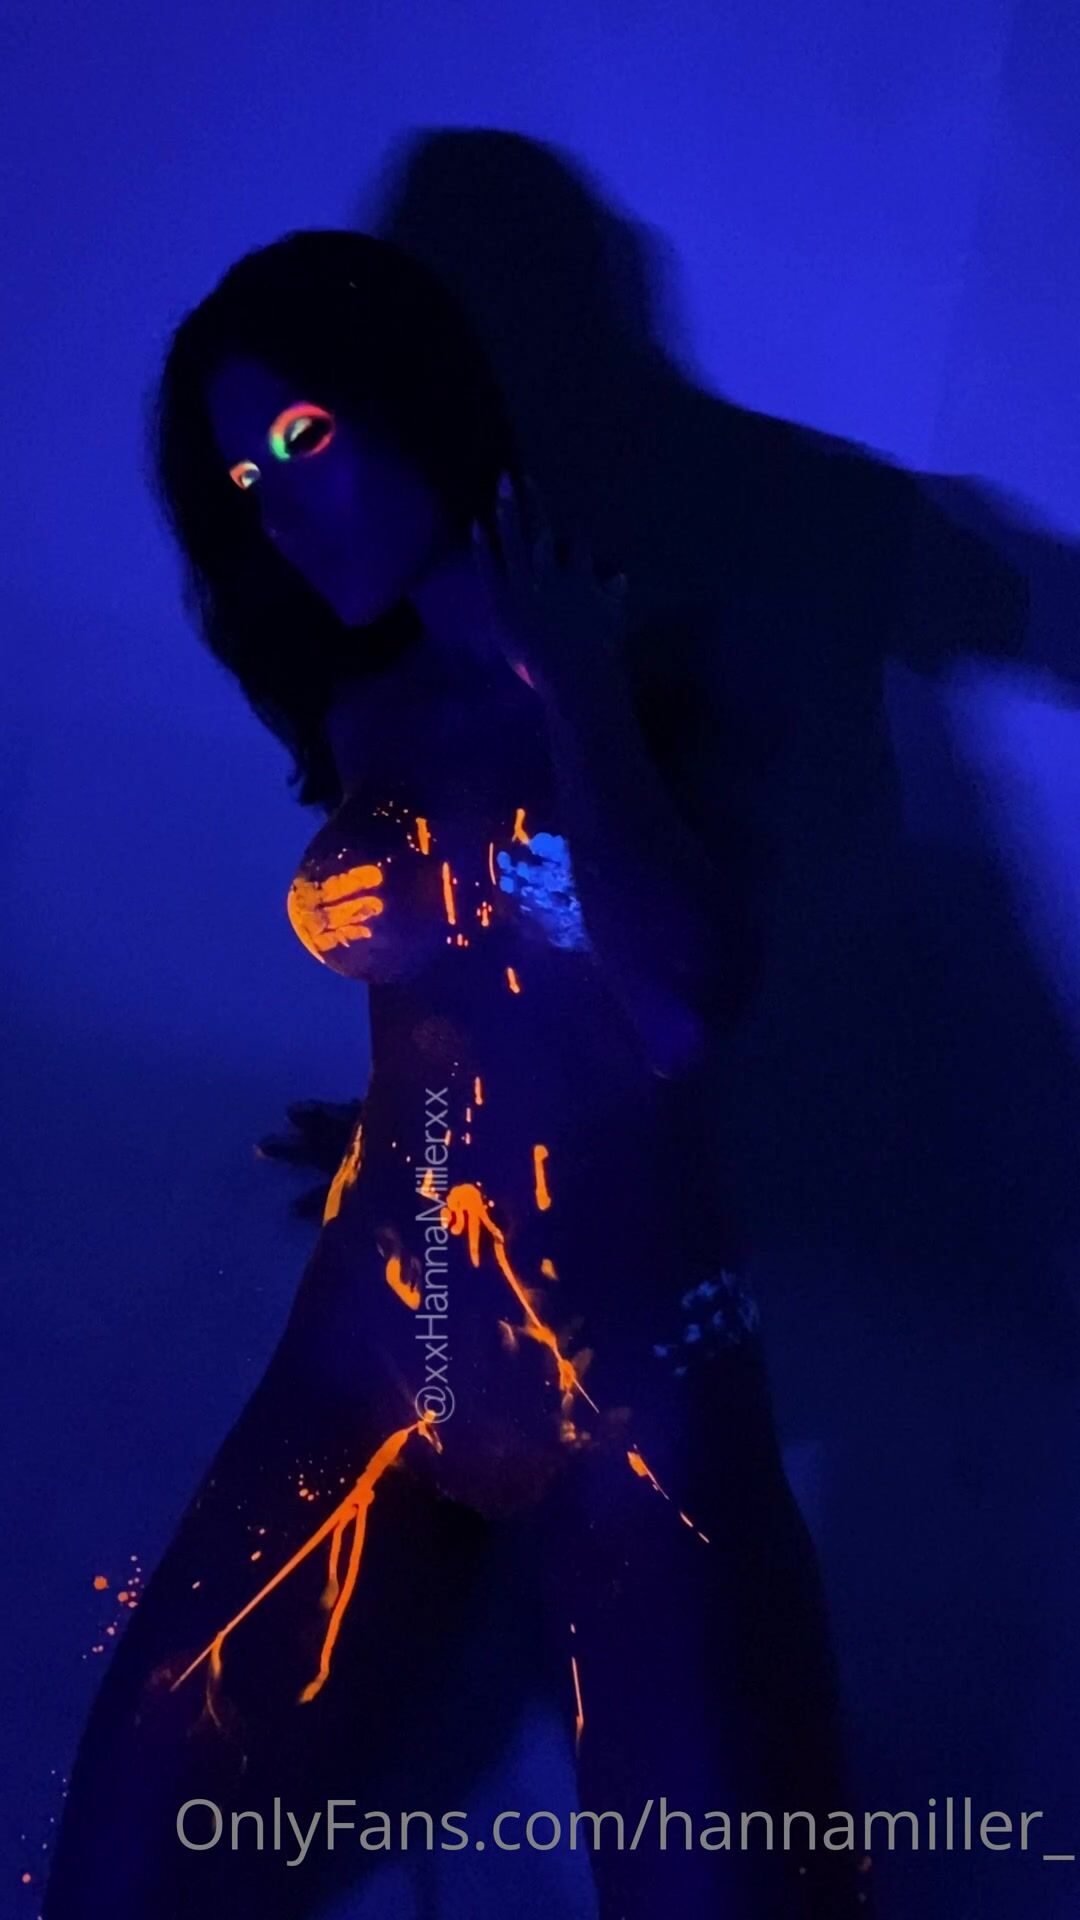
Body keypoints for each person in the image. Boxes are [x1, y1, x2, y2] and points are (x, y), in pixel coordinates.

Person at [44, 228, 871, 1918]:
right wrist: (408, 1112)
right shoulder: (362, 704)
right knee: (116, 1875)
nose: (279, 510)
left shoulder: (667, 654)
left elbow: (678, 1004)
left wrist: (575, 687)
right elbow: (491, 966)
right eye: (242, 478)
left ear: (411, 393)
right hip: (373, 1360)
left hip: (630, 1402)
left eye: (305, 438)